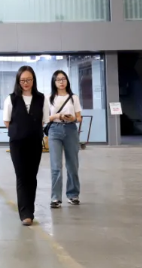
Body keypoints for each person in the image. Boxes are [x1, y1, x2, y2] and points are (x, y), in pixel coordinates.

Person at [3, 66, 49, 226]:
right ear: (18, 81)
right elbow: (7, 121)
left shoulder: (41, 98)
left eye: (29, 80)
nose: (26, 83)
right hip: (17, 143)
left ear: (33, 80)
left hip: (35, 142)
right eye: (22, 80)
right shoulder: (11, 99)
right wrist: (20, 131)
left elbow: (44, 120)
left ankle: (30, 210)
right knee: (22, 176)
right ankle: (25, 214)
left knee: (32, 177)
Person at [47, 70, 82, 208]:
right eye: (58, 79)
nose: (61, 82)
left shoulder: (74, 98)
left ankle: (73, 195)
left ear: (67, 81)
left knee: (72, 164)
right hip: (54, 130)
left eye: (64, 79)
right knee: (56, 166)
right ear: (54, 82)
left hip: (71, 129)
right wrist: (58, 116)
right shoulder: (49, 98)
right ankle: (55, 198)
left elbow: (79, 117)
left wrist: (73, 118)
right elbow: (45, 118)